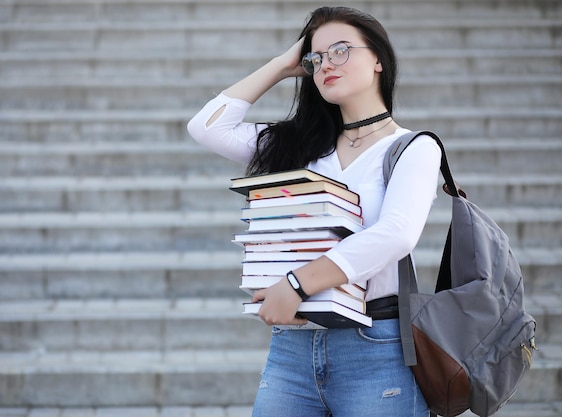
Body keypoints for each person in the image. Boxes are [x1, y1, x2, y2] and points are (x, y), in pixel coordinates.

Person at [187, 6, 440, 417]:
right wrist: (280, 66)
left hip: (376, 348)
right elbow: (207, 128)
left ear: (378, 58)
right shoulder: (299, 148)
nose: (325, 65)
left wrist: (296, 284)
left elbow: (397, 233)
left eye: (340, 50)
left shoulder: (412, 148)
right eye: (316, 58)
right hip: (292, 351)